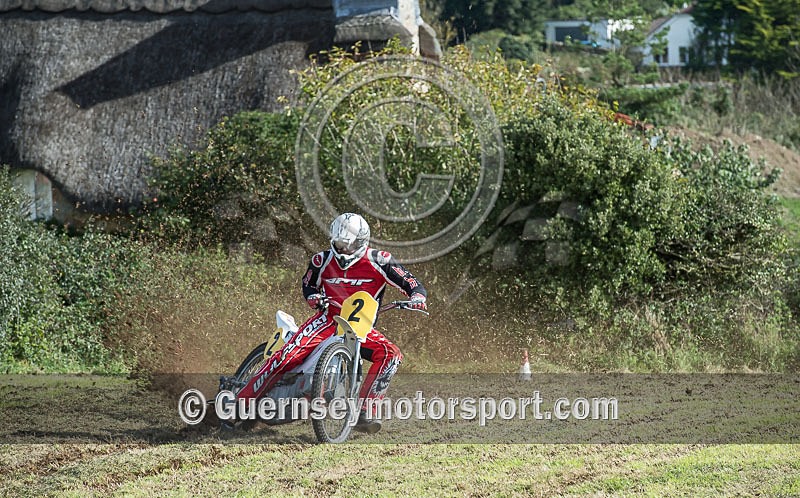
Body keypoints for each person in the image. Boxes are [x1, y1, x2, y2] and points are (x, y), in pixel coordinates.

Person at [235, 212, 427, 434]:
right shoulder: (321, 260)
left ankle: (365, 411)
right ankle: (241, 402)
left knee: (390, 354)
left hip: (359, 327)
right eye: (339, 244)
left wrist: (417, 298)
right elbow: (308, 285)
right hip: (326, 320)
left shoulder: (380, 260)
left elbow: (412, 282)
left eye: (349, 245)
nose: (343, 250)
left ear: (362, 242)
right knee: (286, 357)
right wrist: (313, 297)